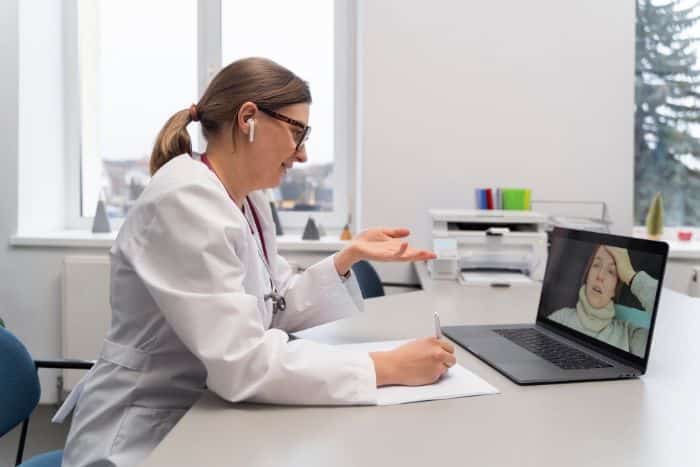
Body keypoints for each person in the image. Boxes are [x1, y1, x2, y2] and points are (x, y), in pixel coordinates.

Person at [55, 57, 455, 467]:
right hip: (143, 436)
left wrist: (345, 259)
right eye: (296, 132)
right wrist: (386, 366)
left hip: (204, 413)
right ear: (248, 118)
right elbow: (241, 362)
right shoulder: (184, 200)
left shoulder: (246, 200)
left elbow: (273, 305)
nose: (301, 155)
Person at [547, 244, 658, 357]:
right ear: (587, 275)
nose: (600, 276)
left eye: (611, 271)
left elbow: (669, 322)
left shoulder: (630, 337)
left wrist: (631, 276)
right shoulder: (561, 318)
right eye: (596, 265)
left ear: (615, 289)